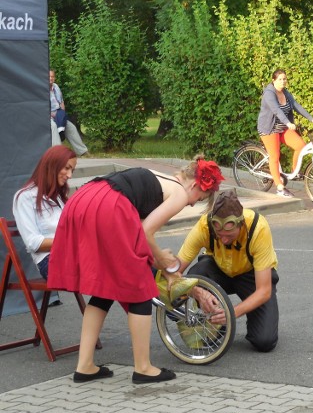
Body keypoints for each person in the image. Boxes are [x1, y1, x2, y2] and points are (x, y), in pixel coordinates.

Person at [48, 156, 223, 384]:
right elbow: (145, 231)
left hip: (86, 197)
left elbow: (137, 237)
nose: (191, 204)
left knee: (105, 289)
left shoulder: (159, 180)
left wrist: (162, 265)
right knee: (139, 289)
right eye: (198, 198)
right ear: (194, 185)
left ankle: (85, 366)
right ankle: (143, 368)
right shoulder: (180, 193)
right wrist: (164, 262)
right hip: (109, 205)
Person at [175, 189, 279, 352]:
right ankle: (213, 323)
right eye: (219, 235)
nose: (223, 240)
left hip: (250, 275)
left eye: (229, 236)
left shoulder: (258, 228)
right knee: (197, 273)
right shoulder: (204, 225)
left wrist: (232, 313)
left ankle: (226, 317)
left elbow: (264, 290)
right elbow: (174, 272)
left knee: (264, 341)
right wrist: (195, 291)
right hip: (218, 270)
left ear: (241, 224)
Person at [13, 146, 77, 280]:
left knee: (115, 266)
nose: (70, 175)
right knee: (111, 270)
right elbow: (33, 243)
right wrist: (69, 240)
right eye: (66, 168)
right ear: (52, 165)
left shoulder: (58, 197)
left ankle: (93, 303)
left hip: (71, 254)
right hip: (50, 261)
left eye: (72, 170)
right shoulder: (25, 197)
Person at [256, 69, 313, 197]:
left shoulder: (285, 92)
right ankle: (280, 188)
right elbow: (276, 110)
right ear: (273, 80)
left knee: (300, 146)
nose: (283, 82)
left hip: (282, 128)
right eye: (280, 79)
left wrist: (312, 119)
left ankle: (294, 172)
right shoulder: (269, 94)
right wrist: (288, 123)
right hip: (269, 129)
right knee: (275, 156)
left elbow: (296, 106)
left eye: (285, 79)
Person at [49, 70, 89, 157]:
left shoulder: (56, 87)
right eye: (49, 77)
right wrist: (53, 115)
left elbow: (61, 102)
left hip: (58, 114)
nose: (51, 78)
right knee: (53, 127)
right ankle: (58, 154)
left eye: (52, 77)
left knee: (71, 127)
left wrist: (62, 114)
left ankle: (82, 151)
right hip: (48, 116)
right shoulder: (41, 90)